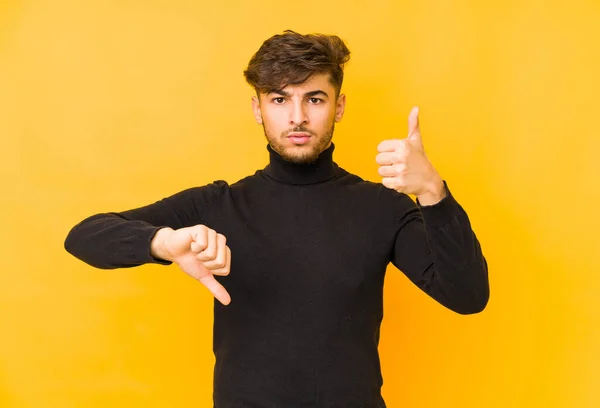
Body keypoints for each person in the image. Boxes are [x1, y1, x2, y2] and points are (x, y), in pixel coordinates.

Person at [64, 30, 489, 408]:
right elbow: (84, 237)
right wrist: (162, 242)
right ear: (258, 108)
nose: (297, 117)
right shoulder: (219, 205)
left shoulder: (383, 208)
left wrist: (433, 192)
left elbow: (468, 296)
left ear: (339, 107)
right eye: (280, 99)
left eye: (314, 99)